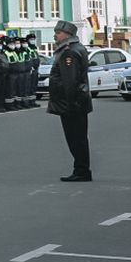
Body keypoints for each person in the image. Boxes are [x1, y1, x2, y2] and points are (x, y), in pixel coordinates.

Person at [48, 19, 94, 182]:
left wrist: (70, 103)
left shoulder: (69, 52)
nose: (55, 36)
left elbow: (70, 81)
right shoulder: (76, 48)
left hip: (71, 104)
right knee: (79, 138)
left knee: (75, 139)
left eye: (58, 33)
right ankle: (82, 170)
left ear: (67, 34)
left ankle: (81, 171)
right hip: (77, 101)